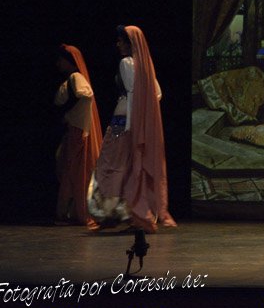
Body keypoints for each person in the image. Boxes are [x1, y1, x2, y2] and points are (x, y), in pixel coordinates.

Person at [88, 25, 176, 233]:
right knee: (129, 169)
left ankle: (112, 214)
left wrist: (131, 124)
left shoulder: (126, 63)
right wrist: (143, 119)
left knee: (112, 166)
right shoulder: (145, 67)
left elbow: (132, 92)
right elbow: (157, 94)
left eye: (121, 41)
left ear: (131, 44)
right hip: (133, 123)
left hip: (124, 123)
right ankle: (130, 214)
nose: (118, 44)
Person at [54, 44, 101, 229]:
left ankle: (69, 211)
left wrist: (68, 113)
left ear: (69, 61)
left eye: (61, 60)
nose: (58, 63)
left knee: (72, 171)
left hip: (76, 129)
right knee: (70, 170)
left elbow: (85, 94)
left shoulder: (76, 77)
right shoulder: (72, 78)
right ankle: (71, 211)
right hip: (74, 128)